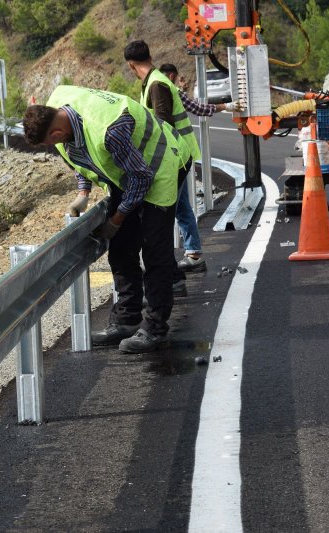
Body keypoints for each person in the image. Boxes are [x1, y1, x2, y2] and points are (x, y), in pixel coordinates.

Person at [22, 86, 192, 353]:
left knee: (154, 249)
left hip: (163, 165)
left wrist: (116, 219)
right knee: (122, 248)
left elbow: (142, 178)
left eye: (50, 143)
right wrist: (83, 192)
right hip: (130, 171)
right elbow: (80, 154)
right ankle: (127, 319)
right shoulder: (57, 103)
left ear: (56, 133)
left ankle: (156, 328)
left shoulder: (109, 130)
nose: (54, 147)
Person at [125, 43, 240, 273]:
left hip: (173, 158)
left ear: (130, 65)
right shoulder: (154, 82)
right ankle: (194, 254)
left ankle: (169, 271)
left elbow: (163, 127)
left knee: (165, 211)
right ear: (150, 55)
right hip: (180, 154)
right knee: (182, 207)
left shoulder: (156, 85)